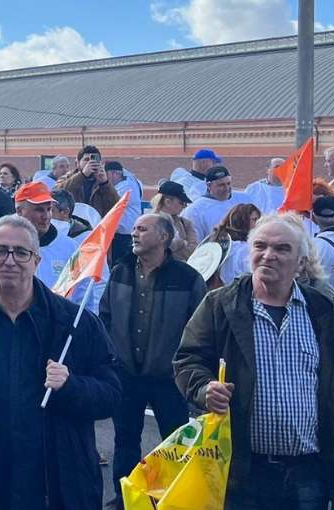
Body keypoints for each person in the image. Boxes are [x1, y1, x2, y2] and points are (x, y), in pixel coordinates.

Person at [0, 214, 121, 510]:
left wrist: (72, 385)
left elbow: (112, 395)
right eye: (0, 251)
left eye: (21, 252)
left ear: (36, 261)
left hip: (54, 483)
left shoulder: (74, 323)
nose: (10, 260)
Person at [173, 213, 334, 508]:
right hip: (244, 471)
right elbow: (187, 359)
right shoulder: (220, 305)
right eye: (260, 246)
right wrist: (204, 388)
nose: (268, 256)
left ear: (301, 263)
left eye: (282, 249)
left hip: (309, 471)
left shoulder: (323, 311)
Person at [99, 213, 205, 500]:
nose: (134, 233)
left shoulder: (188, 279)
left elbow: (200, 329)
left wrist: (184, 367)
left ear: (164, 237)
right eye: (134, 229)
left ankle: (172, 500)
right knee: (125, 443)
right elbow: (105, 315)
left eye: (142, 229)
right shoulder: (120, 271)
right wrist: (113, 356)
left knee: (175, 445)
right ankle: (125, 500)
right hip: (126, 377)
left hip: (169, 380)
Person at [0, 182, 89, 310]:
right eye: (39, 210)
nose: (46, 216)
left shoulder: (69, 248)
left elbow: (82, 290)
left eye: (49, 209)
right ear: (19, 211)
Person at [181, 165, 255, 246]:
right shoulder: (195, 210)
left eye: (228, 183)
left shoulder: (244, 199)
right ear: (209, 186)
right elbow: (196, 242)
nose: (227, 188)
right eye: (221, 185)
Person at [203, 202, 262, 287]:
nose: (258, 224)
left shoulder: (220, 242)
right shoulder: (244, 249)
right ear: (241, 222)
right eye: (254, 219)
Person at [56, 146, 120, 218]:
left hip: (95, 224)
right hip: (73, 223)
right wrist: (83, 175)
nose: (90, 163)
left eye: (94, 160)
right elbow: (56, 193)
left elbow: (116, 206)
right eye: (86, 160)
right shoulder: (68, 178)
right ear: (77, 163)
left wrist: (105, 183)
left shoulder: (104, 181)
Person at [151, 180, 198, 262]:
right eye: (181, 203)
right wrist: (182, 243)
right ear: (168, 202)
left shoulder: (185, 223)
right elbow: (157, 251)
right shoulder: (150, 222)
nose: (184, 206)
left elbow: (193, 250)